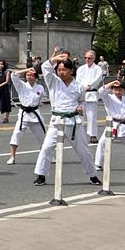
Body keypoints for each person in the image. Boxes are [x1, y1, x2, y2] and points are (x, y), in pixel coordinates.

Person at [32, 48, 101, 187]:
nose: (61, 72)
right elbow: (45, 68)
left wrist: (80, 108)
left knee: (84, 151)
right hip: (56, 121)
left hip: (73, 122)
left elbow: (82, 101)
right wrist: (56, 59)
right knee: (46, 148)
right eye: (59, 70)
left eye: (64, 69)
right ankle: (41, 175)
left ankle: (93, 175)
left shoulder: (79, 86)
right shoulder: (53, 82)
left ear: (71, 70)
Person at [7, 68, 47, 165]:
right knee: (16, 134)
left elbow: (40, 99)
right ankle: (12, 157)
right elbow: (14, 75)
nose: (30, 77)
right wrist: (27, 69)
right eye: (28, 75)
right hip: (24, 114)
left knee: (43, 136)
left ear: (36, 77)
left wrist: (39, 103)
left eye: (32, 75)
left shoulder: (40, 88)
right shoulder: (21, 85)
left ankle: (48, 156)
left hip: (35, 114)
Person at [76, 50, 105, 143]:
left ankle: (93, 135)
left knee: (92, 116)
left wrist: (89, 86)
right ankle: (79, 134)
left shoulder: (98, 69)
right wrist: (79, 90)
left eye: (89, 58)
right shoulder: (80, 69)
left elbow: (97, 80)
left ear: (93, 59)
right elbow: (77, 81)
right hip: (81, 95)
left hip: (91, 94)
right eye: (86, 58)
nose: (87, 60)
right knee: (80, 115)